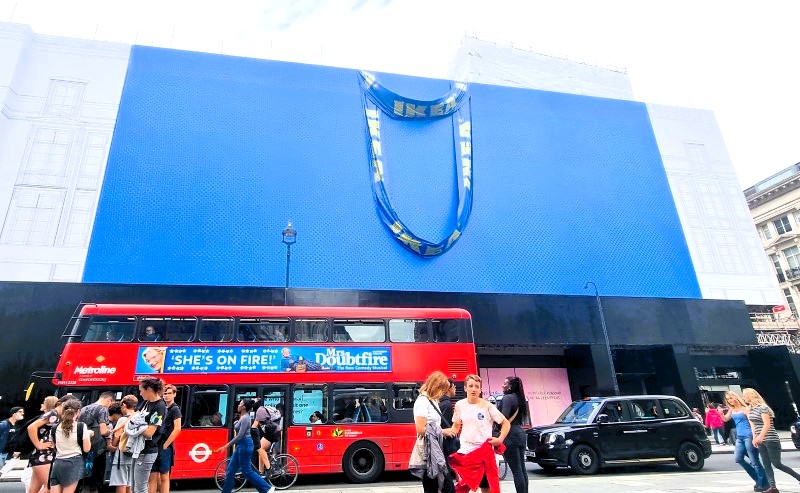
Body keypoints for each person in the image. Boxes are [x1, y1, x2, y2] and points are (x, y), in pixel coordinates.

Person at [450, 374, 510, 493]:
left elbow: (506, 423)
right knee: (462, 487)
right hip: (466, 452)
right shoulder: (459, 405)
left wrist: (500, 439)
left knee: (486, 488)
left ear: (480, 389)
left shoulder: (487, 406)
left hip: (484, 454)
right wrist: (441, 432)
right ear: (465, 388)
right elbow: (455, 427)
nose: (474, 389)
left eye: (477, 386)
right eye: (471, 386)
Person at [745, 388, 800, 493]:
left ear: (751, 396)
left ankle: (798, 477)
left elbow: (767, 424)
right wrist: (754, 437)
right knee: (766, 464)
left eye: (745, 396)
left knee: (777, 464)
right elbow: (753, 425)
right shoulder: (750, 409)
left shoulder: (763, 408)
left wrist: (760, 436)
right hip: (760, 440)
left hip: (771, 439)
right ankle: (773, 487)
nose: (744, 398)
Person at [411, 371, 458, 493]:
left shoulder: (433, 401)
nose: (443, 393)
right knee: (438, 487)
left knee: (438, 486)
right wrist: (443, 431)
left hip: (436, 448)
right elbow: (421, 429)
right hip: (429, 450)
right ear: (435, 386)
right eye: (442, 389)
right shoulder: (422, 402)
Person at [215, 399, 272, 493]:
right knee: (230, 471)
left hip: (245, 445)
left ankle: (267, 488)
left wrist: (226, 446)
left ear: (244, 407)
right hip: (241, 446)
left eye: (240, 404)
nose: (238, 405)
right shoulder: (242, 416)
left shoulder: (246, 418)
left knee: (247, 471)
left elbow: (240, 435)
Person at [722, 391, 768, 492]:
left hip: (748, 436)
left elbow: (752, 423)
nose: (730, 401)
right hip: (739, 437)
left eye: (731, 398)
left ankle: (764, 484)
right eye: (728, 399)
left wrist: (755, 436)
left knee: (754, 461)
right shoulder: (732, 409)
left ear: (736, 398)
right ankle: (758, 479)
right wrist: (721, 414)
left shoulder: (746, 409)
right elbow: (725, 419)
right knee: (738, 459)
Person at [132, 378, 167, 493]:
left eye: (141, 390)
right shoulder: (146, 403)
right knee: (135, 486)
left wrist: (135, 425)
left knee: (140, 488)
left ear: (150, 389)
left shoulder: (160, 406)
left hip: (147, 450)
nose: (140, 393)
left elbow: (149, 432)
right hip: (139, 449)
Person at [49, 399, 91, 493]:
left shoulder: (54, 427)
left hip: (58, 463)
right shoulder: (81, 426)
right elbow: (86, 449)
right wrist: (88, 434)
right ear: (78, 412)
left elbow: (53, 445)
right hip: (74, 463)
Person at [148, 385, 181, 493]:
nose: (166, 396)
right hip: (155, 445)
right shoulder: (162, 407)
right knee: (152, 476)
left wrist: (166, 445)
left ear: (174, 394)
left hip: (164, 446)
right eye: (165, 394)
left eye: (169, 393)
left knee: (164, 476)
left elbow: (177, 429)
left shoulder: (175, 409)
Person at [79, 391, 114, 493]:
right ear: (108, 400)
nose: (109, 406)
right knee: (97, 478)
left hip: (85, 446)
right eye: (110, 403)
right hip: (98, 449)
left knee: (86, 477)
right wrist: (110, 431)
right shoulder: (102, 409)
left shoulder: (84, 408)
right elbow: (103, 431)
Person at [26, 395, 61, 493]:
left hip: (39, 454)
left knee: (34, 488)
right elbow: (31, 428)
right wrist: (38, 445)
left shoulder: (48, 416)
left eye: (44, 402)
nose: (42, 404)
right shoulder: (53, 414)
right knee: (49, 487)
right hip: (44, 455)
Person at [500, 376, 528, 493]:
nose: (503, 385)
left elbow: (503, 417)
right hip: (520, 433)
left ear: (510, 386)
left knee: (516, 470)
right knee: (522, 469)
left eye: (505, 383)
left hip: (510, 434)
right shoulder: (520, 398)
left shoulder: (507, 398)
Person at [109, 395, 138, 493]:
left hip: (122, 455)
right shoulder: (139, 417)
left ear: (124, 405)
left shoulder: (123, 419)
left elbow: (117, 435)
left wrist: (112, 445)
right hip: (134, 454)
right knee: (129, 482)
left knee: (121, 482)